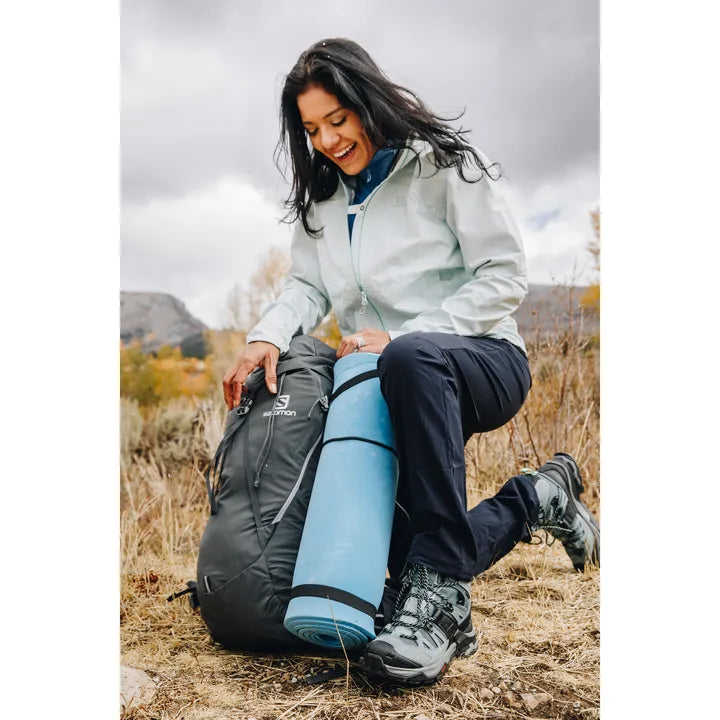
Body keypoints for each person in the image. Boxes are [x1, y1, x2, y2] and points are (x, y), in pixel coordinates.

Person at [222, 38, 599, 686]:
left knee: (411, 358)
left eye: (338, 119)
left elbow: (504, 274)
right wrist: (267, 336)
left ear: (367, 102)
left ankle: (439, 606)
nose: (328, 141)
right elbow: (307, 287)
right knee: (415, 548)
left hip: (478, 358)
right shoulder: (322, 200)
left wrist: (404, 336)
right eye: (312, 129)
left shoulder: (442, 165)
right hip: (379, 383)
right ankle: (531, 503)